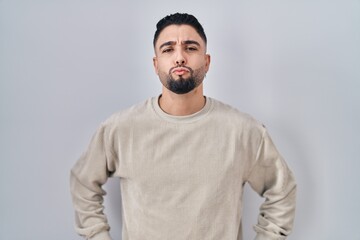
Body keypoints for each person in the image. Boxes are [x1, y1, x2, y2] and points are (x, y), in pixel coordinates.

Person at [70, 13, 296, 240]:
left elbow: (282, 191)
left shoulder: (243, 131)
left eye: (190, 48)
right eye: (168, 49)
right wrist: (97, 235)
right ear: (156, 64)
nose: (179, 57)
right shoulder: (120, 129)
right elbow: (83, 183)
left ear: (207, 62)